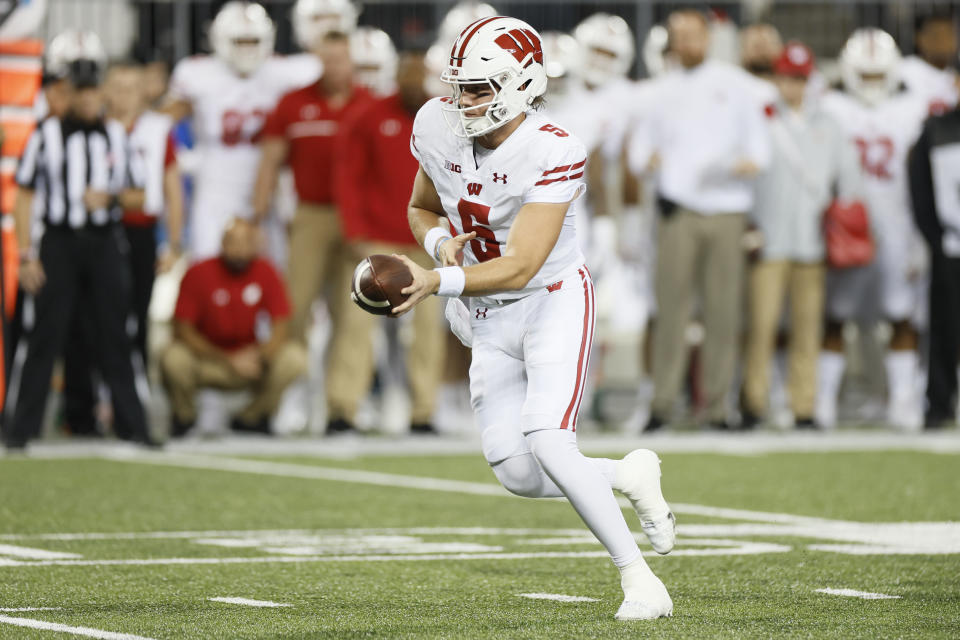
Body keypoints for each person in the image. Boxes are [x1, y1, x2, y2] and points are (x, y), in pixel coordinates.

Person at [392, 16, 675, 621]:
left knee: (549, 438)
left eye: (478, 89)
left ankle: (640, 580)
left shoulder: (555, 146)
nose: (462, 101)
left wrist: (435, 280)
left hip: (550, 302)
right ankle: (624, 474)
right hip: (484, 315)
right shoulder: (435, 124)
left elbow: (521, 265)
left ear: (522, 84)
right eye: (458, 86)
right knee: (518, 474)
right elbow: (419, 207)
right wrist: (441, 243)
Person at [4, 31, 152, 450]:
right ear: (69, 94)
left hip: (104, 241)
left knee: (115, 333)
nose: (87, 101)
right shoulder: (44, 135)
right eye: (80, 92)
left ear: (101, 94)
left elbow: (141, 194)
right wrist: (27, 254)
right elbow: (25, 195)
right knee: (43, 335)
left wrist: (112, 197)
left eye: (92, 92)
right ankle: (21, 429)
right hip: (60, 241)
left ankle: (133, 425)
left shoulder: (118, 137)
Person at [628, 9, 771, 431]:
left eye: (694, 35)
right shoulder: (659, 91)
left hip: (726, 208)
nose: (687, 43)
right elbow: (639, 149)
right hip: (679, 211)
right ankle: (663, 402)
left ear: (708, 38)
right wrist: (647, 160)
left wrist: (738, 165)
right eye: (680, 36)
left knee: (723, 312)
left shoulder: (735, 86)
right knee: (670, 308)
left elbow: (760, 150)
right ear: (671, 42)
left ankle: (716, 404)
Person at [252, 29, 372, 434]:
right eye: (329, 58)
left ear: (352, 60)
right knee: (295, 308)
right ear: (320, 59)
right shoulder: (294, 103)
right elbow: (270, 161)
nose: (335, 66)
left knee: (354, 312)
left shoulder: (368, 105)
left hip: (356, 219)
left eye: (342, 58)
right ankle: (285, 399)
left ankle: (343, 407)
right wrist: (258, 212)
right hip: (311, 215)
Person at [743, 42, 863, 429]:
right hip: (769, 240)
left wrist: (840, 221)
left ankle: (803, 406)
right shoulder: (760, 120)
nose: (791, 86)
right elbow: (748, 179)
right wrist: (750, 224)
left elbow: (848, 180)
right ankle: (754, 403)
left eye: (799, 78)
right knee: (761, 328)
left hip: (812, 242)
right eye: (785, 77)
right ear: (776, 79)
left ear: (808, 80)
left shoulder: (828, 124)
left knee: (807, 329)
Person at [818, 29, 929, 430]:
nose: (870, 84)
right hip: (845, 228)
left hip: (899, 225)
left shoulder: (911, 109)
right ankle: (824, 401)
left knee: (902, 316)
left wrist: (920, 237)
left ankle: (902, 399)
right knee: (835, 316)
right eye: (863, 75)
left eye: (877, 75)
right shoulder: (830, 106)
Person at [334, 50, 444, 434]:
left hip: (424, 240)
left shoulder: (439, 119)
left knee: (429, 330)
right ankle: (343, 408)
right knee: (357, 324)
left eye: (419, 77)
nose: (414, 84)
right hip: (378, 241)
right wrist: (355, 232)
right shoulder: (370, 116)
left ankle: (424, 411)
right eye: (407, 77)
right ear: (397, 78)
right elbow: (349, 176)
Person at [163, 1, 319, 259]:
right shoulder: (198, 73)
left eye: (253, 41)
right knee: (207, 258)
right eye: (239, 42)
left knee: (274, 264)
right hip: (215, 183)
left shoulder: (287, 71)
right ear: (219, 40)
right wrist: (183, 159)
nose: (247, 49)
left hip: (267, 183)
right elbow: (160, 123)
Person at [161, 219, 306, 436]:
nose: (239, 250)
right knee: (173, 358)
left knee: (295, 357)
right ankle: (184, 417)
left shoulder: (266, 271)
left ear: (255, 244)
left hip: (250, 361)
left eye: (246, 242)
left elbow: (281, 326)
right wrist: (227, 358)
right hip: (208, 359)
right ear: (222, 243)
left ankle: (253, 417)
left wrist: (259, 355)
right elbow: (182, 330)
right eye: (233, 242)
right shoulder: (199, 272)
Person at [908, 93, 960, 429]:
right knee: (945, 327)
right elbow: (920, 189)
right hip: (951, 244)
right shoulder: (936, 129)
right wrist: (936, 239)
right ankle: (939, 404)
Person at [900, 8, 958, 115]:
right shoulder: (904, 71)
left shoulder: (954, 78)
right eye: (937, 35)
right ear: (919, 38)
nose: (944, 42)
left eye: (949, 35)